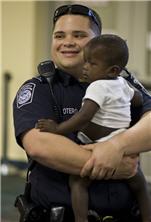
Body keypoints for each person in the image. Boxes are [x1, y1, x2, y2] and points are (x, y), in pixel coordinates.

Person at [13, 4, 151, 222]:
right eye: (60, 35)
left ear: (98, 41)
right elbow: (40, 145)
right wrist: (116, 165)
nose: (68, 42)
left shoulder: (122, 82)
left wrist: (116, 147)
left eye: (79, 35)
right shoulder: (39, 88)